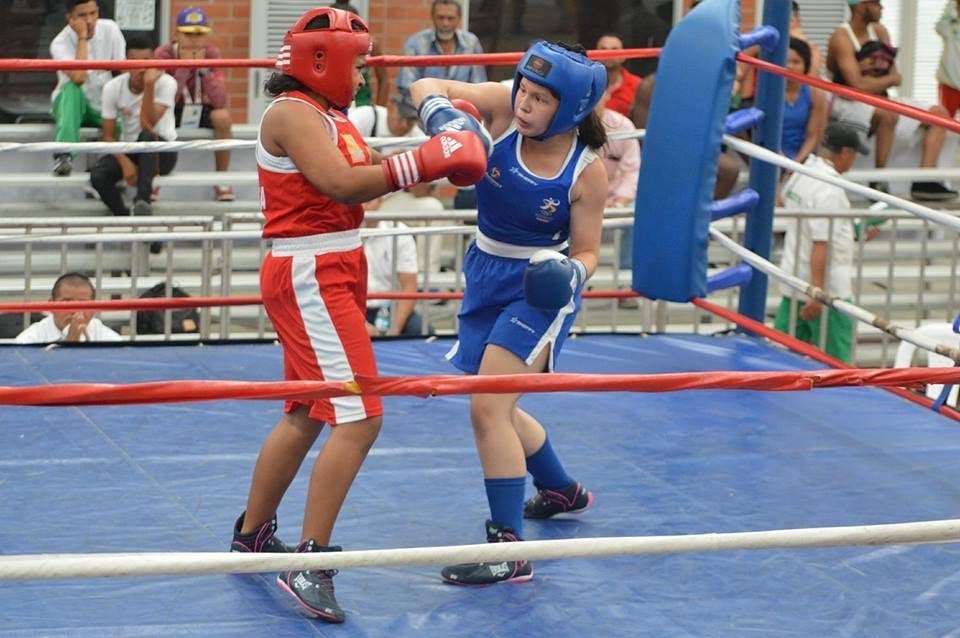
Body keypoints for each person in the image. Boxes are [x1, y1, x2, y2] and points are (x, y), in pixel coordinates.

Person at [230, 7, 487, 623]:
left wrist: (449, 153)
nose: (367, 74)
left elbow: (374, 176)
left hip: (334, 265)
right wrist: (430, 158)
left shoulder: (332, 114)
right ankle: (309, 560)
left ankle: (253, 535)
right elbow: (341, 184)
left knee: (309, 410)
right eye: (361, 62)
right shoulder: (292, 113)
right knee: (361, 414)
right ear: (324, 61)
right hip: (311, 269)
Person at [408, 40, 607, 585]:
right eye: (524, 88)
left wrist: (573, 273)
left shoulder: (585, 170)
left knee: (487, 407)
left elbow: (588, 251)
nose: (525, 103)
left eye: (541, 99)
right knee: (501, 403)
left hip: (539, 288)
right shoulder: (500, 105)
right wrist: (446, 119)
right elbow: (423, 85)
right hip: (485, 271)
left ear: (568, 109)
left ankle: (508, 548)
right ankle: (561, 488)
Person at [827, 0, 957, 202]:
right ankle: (879, 179)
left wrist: (872, 81)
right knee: (887, 114)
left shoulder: (880, 31)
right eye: (876, 3)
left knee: (939, 113)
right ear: (861, 6)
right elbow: (856, 86)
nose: (882, 8)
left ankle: (925, 180)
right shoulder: (841, 37)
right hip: (849, 102)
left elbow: (897, 77)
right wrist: (879, 81)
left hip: (881, 98)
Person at [774, 121, 868, 363]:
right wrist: (817, 293)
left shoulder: (801, 173)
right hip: (827, 291)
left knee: (779, 361)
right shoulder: (829, 189)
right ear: (845, 153)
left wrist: (853, 231)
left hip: (793, 279)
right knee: (837, 366)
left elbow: (802, 219)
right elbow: (820, 242)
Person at [90, 35, 178, 217]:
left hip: (162, 150)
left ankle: (142, 201)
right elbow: (108, 135)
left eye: (146, 61)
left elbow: (147, 123)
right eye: (135, 62)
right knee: (98, 175)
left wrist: (149, 85)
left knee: (146, 136)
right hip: (131, 149)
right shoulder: (113, 87)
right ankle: (124, 217)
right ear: (125, 64)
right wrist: (125, 164)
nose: (141, 68)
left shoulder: (167, 83)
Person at [154, 7, 235, 202]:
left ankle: (222, 180)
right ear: (176, 35)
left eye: (199, 34)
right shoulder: (163, 54)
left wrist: (204, 71)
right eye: (188, 34)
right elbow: (165, 99)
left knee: (223, 117)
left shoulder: (212, 53)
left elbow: (220, 101)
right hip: (172, 108)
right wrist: (183, 68)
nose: (194, 39)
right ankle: (153, 179)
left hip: (199, 108)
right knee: (156, 117)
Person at [49, 0, 126, 177]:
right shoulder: (59, 42)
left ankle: (113, 168)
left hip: (102, 103)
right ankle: (64, 156)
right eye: (82, 15)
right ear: (70, 18)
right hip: (71, 106)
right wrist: (82, 37)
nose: (90, 20)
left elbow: (122, 69)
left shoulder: (110, 29)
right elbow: (78, 78)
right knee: (72, 89)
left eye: (93, 13)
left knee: (122, 102)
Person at [394, 0, 487, 111]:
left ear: (459, 18)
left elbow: (479, 87)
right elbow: (406, 88)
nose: (445, 23)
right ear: (432, 17)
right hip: (424, 116)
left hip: (463, 114)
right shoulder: (416, 44)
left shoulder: (471, 43)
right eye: (440, 17)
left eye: (450, 18)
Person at [362, 199, 432, 337]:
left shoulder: (399, 232)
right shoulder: (340, 232)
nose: (363, 206)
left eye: (368, 201)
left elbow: (409, 287)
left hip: (390, 308)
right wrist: (359, 324)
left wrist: (394, 331)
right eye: (358, 200)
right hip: (352, 307)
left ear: (380, 200)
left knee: (423, 331)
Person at [596, 88, 640, 281]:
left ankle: (624, 282)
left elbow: (632, 171)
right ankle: (565, 282)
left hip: (617, 198)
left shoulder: (624, 126)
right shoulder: (565, 125)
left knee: (635, 212)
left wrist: (620, 202)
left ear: (607, 95)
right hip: (576, 198)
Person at [15, 272, 122, 344]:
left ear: (93, 308)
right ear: (51, 305)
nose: (74, 310)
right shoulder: (30, 339)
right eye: (66, 302)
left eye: (83, 304)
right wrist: (71, 344)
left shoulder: (109, 340)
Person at [331, 1, 389, 107]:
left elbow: (384, 79)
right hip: (335, 105)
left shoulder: (370, 44)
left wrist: (379, 112)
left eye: (350, 26)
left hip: (362, 106)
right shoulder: (328, 45)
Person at [782, 37, 827, 164]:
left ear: (805, 65)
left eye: (796, 62)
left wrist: (796, 164)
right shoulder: (769, 93)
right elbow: (768, 136)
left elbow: (813, 137)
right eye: (785, 61)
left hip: (804, 158)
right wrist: (783, 162)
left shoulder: (815, 94)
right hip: (775, 156)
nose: (790, 66)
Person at [595, 33, 641, 119]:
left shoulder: (637, 85)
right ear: (595, 54)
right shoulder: (586, 84)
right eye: (603, 49)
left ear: (624, 56)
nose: (608, 53)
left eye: (614, 49)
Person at [936, 0, 960, 118]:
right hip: (949, 85)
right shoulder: (950, 28)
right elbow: (940, 26)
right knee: (944, 121)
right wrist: (952, 3)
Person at [790, 1, 823, 78]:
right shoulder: (763, 45)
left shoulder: (811, 49)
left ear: (798, 22)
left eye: (789, 21)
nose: (783, 27)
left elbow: (812, 82)